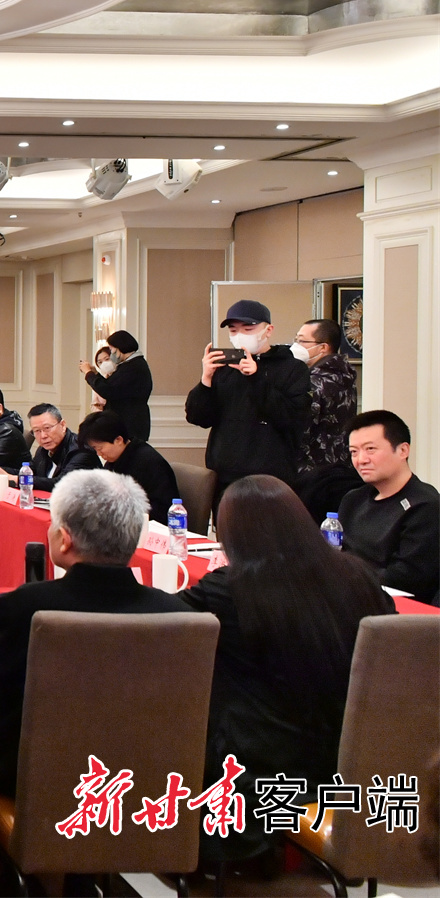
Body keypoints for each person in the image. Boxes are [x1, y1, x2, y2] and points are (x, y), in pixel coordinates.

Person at [178, 475, 393, 862]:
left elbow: (162, 625)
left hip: (257, 768)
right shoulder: (360, 577)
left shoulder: (229, 588)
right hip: (347, 758)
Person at [0, 470, 190, 796]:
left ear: (64, 539)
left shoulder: (29, 605)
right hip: (144, 774)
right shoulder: (176, 613)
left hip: (32, 771)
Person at [185, 298, 310, 507]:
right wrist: (206, 380)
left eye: (248, 328)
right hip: (224, 474)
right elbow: (198, 417)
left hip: (271, 475)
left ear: (268, 330)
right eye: (233, 330)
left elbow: (291, 417)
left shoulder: (292, 368)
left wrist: (255, 378)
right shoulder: (225, 368)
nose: (240, 335)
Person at [339, 410, 439, 604]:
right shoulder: (353, 499)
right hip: (347, 595)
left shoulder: (425, 505)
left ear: (403, 451)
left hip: (392, 607)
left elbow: (407, 578)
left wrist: (344, 577)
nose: (361, 460)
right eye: (354, 452)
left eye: (370, 449)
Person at [293, 318, 362, 521]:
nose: (296, 346)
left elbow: (300, 424)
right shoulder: (343, 375)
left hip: (313, 473)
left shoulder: (317, 381)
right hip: (337, 467)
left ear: (323, 347)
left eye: (302, 341)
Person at [77, 410, 181, 524]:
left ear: (118, 440)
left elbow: (161, 510)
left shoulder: (149, 462)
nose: (98, 453)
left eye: (100, 448)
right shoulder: (114, 461)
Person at [0, 404, 99, 492]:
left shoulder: (81, 449)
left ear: (63, 425)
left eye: (47, 428)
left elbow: (61, 483)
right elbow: (30, 471)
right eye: (37, 431)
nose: (43, 436)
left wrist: (15, 479)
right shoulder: (43, 450)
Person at [78, 330, 153, 443]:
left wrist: (88, 373)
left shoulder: (133, 367)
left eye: (111, 349)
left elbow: (108, 390)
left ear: (119, 348)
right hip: (128, 423)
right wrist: (96, 374)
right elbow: (112, 386)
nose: (111, 352)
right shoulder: (132, 365)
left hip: (130, 425)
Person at [88, 347, 111, 411]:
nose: (104, 364)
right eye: (100, 362)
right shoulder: (101, 379)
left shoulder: (120, 377)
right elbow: (93, 404)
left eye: (107, 359)